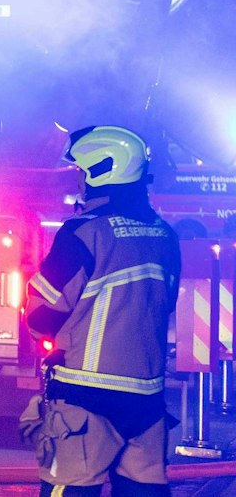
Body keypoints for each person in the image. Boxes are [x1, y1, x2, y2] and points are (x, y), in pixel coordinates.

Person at [22, 124, 181, 497]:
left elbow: (41, 314)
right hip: (147, 401)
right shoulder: (164, 234)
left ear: (100, 170)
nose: (78, 180)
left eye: (81, 171)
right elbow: (165, 304)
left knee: (69, 489)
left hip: (85, 399)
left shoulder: (84, 233)